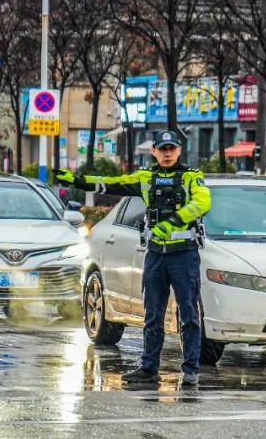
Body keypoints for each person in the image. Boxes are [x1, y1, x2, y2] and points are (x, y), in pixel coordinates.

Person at [55, 130, 211, 387]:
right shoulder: (145, 178)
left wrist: (173, 222)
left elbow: (202, 204)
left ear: (179, 150)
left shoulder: (192, 178)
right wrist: (77, 180)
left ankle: (191, 369)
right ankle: (149, 369)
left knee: (189, 314)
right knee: (152, 314)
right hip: (156, 256)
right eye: (163, 149)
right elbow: (110, 183)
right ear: (154, 152)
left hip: (184, 254)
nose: (168, 153)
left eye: (172, 148)